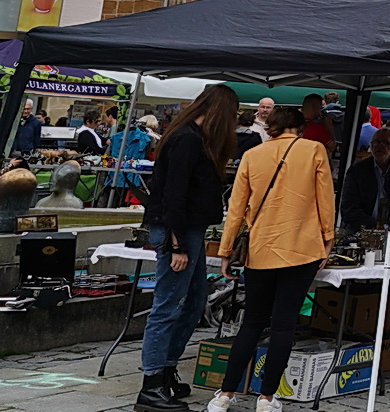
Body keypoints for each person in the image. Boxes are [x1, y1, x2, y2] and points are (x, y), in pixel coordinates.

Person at [212, 105, 335, 412]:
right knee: (283, 325)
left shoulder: (253, 155)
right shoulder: (314, 150)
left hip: (261, 249)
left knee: (252, 323)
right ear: (300, 128)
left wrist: (225, 250)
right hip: (302, 247)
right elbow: (325, 198)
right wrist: (328, 238)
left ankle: (226, 393)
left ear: (271, 127)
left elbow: (236, 208)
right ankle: (267, 397)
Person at [134, 85, 239, 411]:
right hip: (177, 231)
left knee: (194, 302)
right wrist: (177, 244)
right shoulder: (187, 140)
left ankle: (165, 369)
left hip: (187, 229)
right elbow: (173, 196)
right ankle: (151, 384)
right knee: (167, 306)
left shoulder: (194, 138)